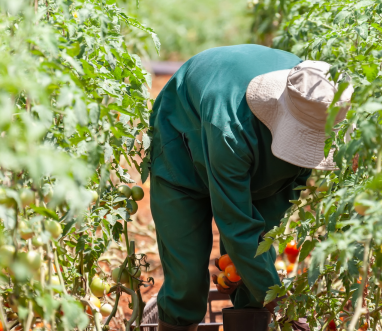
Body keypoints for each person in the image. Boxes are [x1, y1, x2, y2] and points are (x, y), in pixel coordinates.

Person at [149, 44, 353, 331]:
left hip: (251, 149)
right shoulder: (230, 128)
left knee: (254, 265)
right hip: (182, 149)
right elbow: (235, 223)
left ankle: (248, 317)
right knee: (187, 275)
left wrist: (260, 281)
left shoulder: (316, 93)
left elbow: (287, 190)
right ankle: (177, 321)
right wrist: (283, 307)